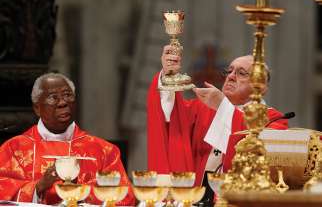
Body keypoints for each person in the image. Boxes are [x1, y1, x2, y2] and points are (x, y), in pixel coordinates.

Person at [147, 45, 289, 187]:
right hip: (197, 195)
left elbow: (261, 160)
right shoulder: (203, 108)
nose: (231, 76)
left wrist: (223, 107)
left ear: (261, 87)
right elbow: (172, 118)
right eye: (229, 71)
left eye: (242, 73)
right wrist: (168, 75)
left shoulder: (273, 120)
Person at [0, 73, 135, 205]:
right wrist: (39, 186)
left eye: (67, 95)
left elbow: (126, 198)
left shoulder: (104, 150)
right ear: (37, 108)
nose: (63, 103)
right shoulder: (15, 149)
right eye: (53, 97)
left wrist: (80, 192)